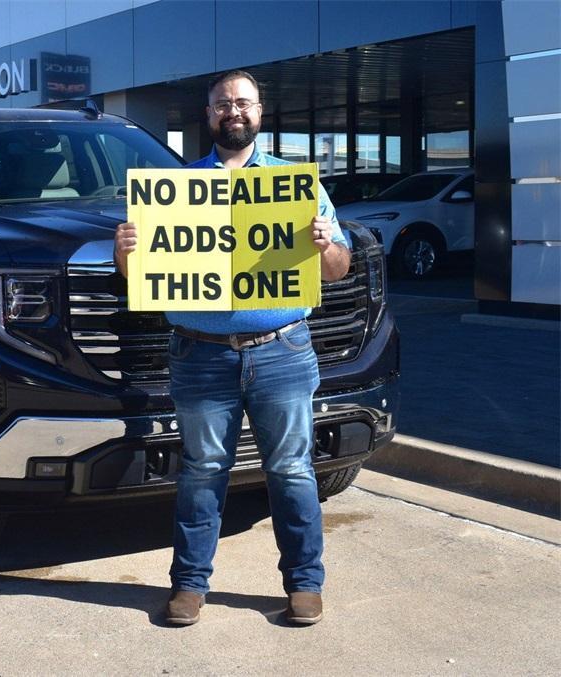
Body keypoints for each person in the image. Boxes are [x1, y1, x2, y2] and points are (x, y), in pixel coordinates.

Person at [114, 70, 350, 626]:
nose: (233, 111)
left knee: (292, 470)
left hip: (282, 351)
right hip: (201, 356)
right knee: (201, 471)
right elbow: (137, 276)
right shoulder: (175, 188)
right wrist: (125, 251)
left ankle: (304, 584)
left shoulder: (297, 187)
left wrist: (322, 246)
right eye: (223, 104)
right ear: (209, 116)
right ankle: (190, 586)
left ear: (260, 113)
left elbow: (337, 269)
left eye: (242, 103)